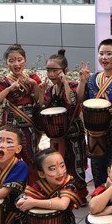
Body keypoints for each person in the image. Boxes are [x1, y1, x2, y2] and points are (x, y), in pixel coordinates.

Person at [15, 148, 85, 224]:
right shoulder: (39, 185)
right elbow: (21, 199)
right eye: (52, 169)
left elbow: (63, 204)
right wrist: (23, 201)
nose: (60, 172)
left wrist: (34, 202)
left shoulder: (69, 183)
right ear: (42, 174)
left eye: (62, 166)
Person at [77, 38, 112, 185]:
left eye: (109, 54)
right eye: (101, 53)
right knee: (97, 169)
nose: (104, 57)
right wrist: (82, 81)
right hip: (94, 134)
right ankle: (99, 195)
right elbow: (80, 100)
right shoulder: (92, 78)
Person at [41, 49, 88, 201]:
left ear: (64, 70)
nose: (51, 74)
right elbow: (43, 108)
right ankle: (62, 191)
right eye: (48, 70)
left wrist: (65, 82)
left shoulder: (73, 85)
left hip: (73, 132)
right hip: (56, 133)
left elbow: (73, 101)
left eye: (55, 70)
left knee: (76, 163)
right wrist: (40, 92)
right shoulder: (50, 89)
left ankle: (80, 194)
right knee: (58, 163)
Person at [0, 44, 43, 172]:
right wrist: (9, 89)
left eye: (20, 60)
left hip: (30, 124)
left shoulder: (33, 78)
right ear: (7, 64)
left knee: (31, 155)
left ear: (25, 61)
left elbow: (39, 100)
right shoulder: (3, 81)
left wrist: (34, 84)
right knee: (10, 155)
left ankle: (32, 182)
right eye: (11, 60)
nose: (16, 64)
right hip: (11, 124)